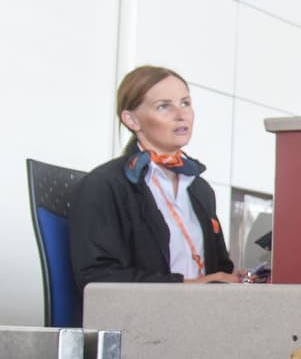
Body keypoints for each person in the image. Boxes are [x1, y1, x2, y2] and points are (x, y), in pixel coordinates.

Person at [70, 65, 245, 292]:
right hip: (143, 317)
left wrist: (234, 278)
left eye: (185, 103)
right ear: (132, 120)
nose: (181, 115)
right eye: (164, 106)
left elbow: (218, 267)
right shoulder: (105, 184)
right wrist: (188, 285)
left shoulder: (199, 189)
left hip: (202, 313)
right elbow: (98, 277)